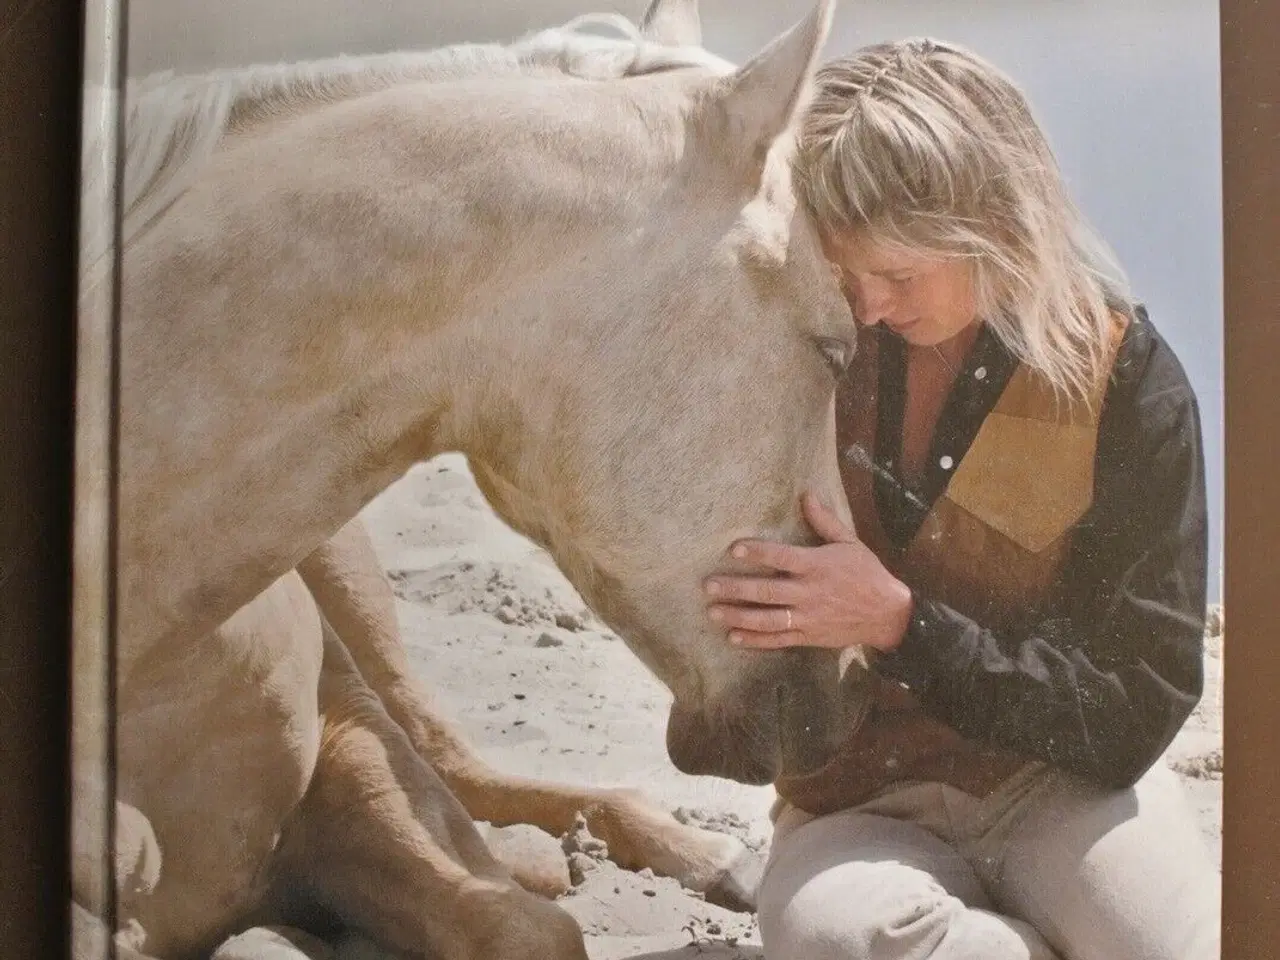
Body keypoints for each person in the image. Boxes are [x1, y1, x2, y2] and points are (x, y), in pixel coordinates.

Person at [701, 38, 1220, 960]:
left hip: (1058, 786)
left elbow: (1138, 708)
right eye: (846, 273)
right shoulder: (793, 353)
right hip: (854, 806)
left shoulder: (1130, 380)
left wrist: (900, 623)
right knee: (837, 942)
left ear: (994, 221)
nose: (865, 309)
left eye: (898, 276)